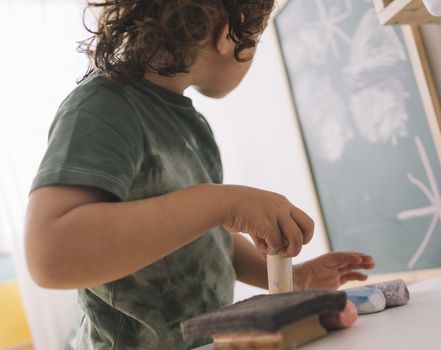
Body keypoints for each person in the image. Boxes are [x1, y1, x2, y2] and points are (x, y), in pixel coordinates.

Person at [24, 1, 375, 349]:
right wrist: (224, 202)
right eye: (256, 39)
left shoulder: (192, 128)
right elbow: (49, 255)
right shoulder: (102, 107)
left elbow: (202, 242)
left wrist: (294, 278)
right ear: (228, 34)